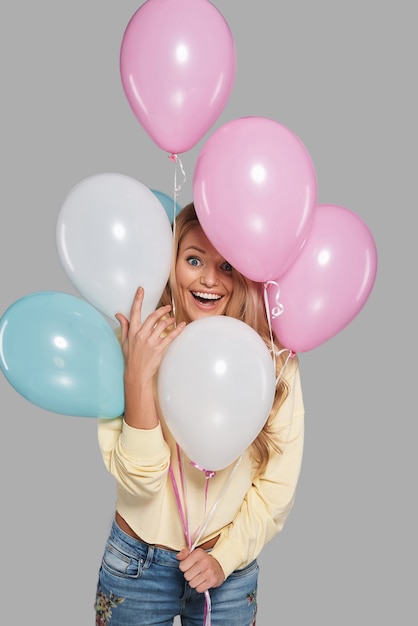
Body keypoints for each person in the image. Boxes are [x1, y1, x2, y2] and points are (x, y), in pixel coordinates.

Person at [94, 202, 305, 625]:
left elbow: (277, 489)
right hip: (137, 564)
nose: (209, 279)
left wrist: (223, 559)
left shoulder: (272, 360)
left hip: (227, 573)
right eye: (194, 259)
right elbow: (140, 483)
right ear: (169, 263)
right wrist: (138, 378)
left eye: (227, 266)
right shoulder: (133, 341)